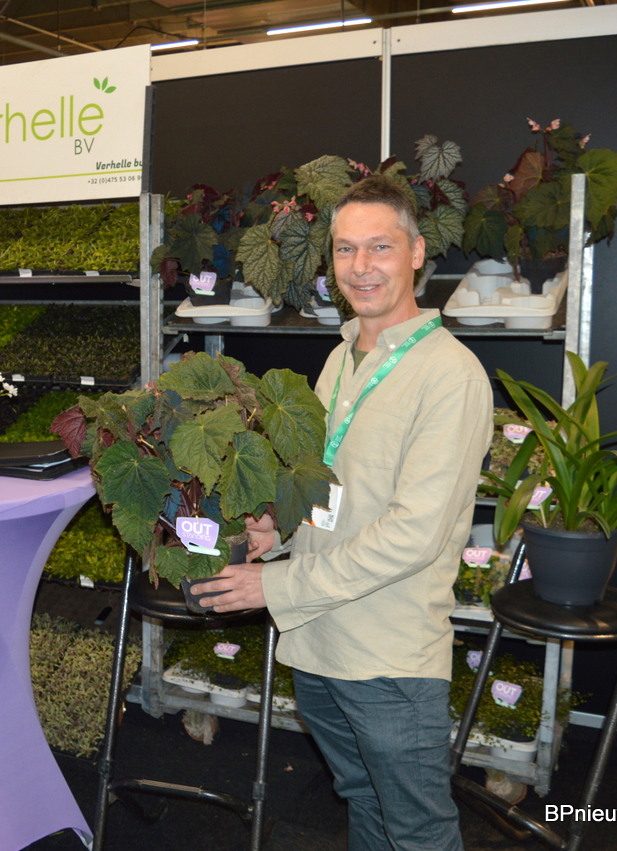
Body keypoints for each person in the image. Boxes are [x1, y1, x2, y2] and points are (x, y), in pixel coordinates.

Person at [193, 174, 493, 850]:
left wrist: (274, 584)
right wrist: (278, 532)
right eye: (346, 249)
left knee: (417, 832)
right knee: (363, 801)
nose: (362, 266)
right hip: (318, 640)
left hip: (387, 656)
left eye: (380, 246)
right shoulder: (340, 359)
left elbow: (413, 536)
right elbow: (335, 489)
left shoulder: (450, 375)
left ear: (417, 251)